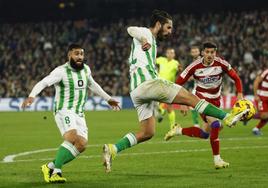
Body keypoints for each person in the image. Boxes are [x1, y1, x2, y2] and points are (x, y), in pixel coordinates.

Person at [102, 10, 248, 173]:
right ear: (158, 24)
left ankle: (113, 149)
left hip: (136, 91)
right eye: (168, 27)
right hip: (148, 83)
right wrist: (143, 38)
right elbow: (130, 29)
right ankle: (227, 117)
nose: (170, 31)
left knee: (147, 132)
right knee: (191, 98)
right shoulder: (146, 33)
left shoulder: (154, 43)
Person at [21, 44, 120, 183]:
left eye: (82, 54)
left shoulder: (86, 69)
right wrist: (32, 96)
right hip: (63, 109)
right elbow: (44, 82)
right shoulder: (61, 71)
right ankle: (57, 172)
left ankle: (49, 167)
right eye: (76, 54)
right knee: (72, 137)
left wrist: (108, 99)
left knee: (81, 145)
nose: (80, 57)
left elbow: (93, 85)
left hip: (79, 112)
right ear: (69, 55)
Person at [165, 41, 243, 169]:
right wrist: (182, 102)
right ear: (202, 53)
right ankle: (217, 160)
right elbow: (178, 83)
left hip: (216, 101)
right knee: (216, 124)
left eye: (212, 52)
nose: (210, 55)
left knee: (206, 133)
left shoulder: (221, 63)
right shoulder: (194, 66)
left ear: (215, 53)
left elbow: (236, 78)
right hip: (200, 100)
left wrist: (239, 94)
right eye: (207, 52)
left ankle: (179, 130)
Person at [156, 47, 182, 129]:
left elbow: (180, 70)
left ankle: (172, 125)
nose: (170, 54)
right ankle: (161, 110)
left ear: (174, 55)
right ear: (166, 54)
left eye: (172, 53)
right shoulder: (161, 59)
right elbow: (152, 61)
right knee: (158, 102)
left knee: (169, 106)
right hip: (159, 84)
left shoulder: (175, 63)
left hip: (169, 86)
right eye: (168, 53)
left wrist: (180, 69)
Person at [252, 68, 268, 135]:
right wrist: (256, 95)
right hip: (262, 97)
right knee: (264, 116)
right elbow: (256, 81)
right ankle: (248, 116)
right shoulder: (266, 71)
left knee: (266, 116)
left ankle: (256, 129)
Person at [189, 45, 202, 127]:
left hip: (206, 87)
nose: (194, 53)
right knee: (192, 105)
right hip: (196, 87)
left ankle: (215, 122)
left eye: (196, 51)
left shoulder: (203, 61)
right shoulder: (192, 63)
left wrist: (193, 77)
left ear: (199, 52)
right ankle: (196, 124)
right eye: (193, 52)